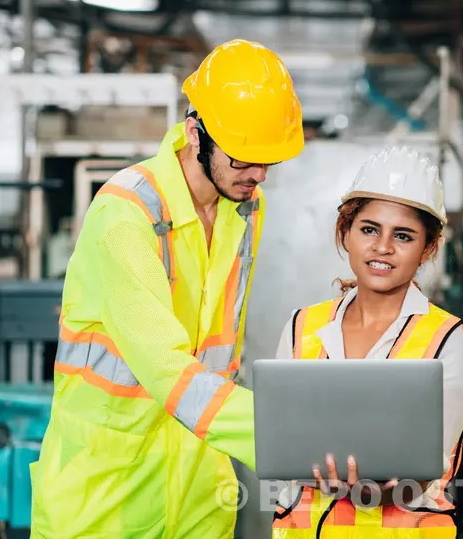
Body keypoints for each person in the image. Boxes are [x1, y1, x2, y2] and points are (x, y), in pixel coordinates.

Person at [29, 39, 306, 538]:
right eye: (243, 160)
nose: (259, 176)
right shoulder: (125, 215)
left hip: (199, 489)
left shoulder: (244, 210)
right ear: (196, 134)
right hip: (109, 495)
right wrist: (292, 438)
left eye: (270, 162)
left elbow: (219, 353)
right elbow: (166, 367)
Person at [270, 145, 463, 538]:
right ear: (344, 232)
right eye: (369, 229)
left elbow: (426, 473)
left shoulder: (446, 340)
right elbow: (281, 449)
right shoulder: (302, 327)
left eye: (403, 235)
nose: (382, 247)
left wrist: (370, 490)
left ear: (427, 249)